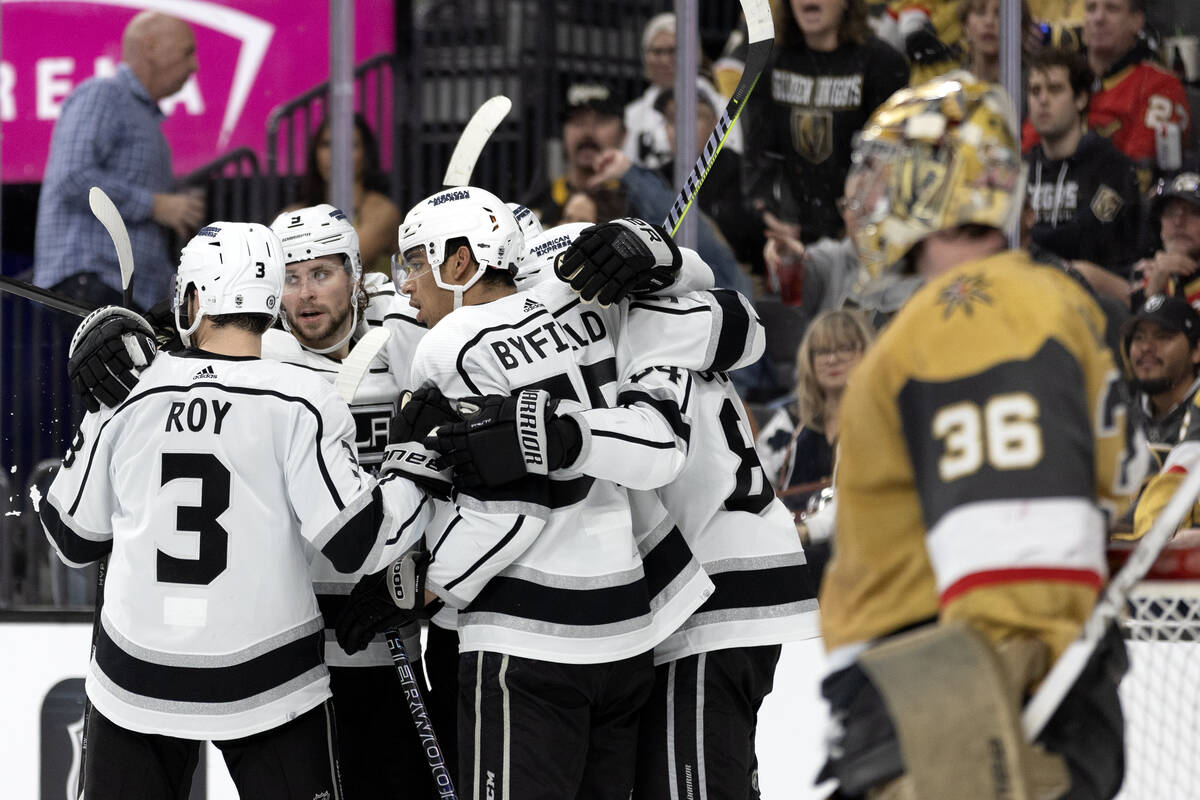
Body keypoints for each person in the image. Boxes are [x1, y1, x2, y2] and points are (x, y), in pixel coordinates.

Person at [819, 74, 1146, 799]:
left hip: (973, 713)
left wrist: (972, 741)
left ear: (945, 182)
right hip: (959, 696)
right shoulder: (1030, 296)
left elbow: (1022, 553)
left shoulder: (975, 311)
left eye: (891, 169)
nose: (869, 192)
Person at [38, 221, 439, 798]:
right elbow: (355, 544)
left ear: (195, 296)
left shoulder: (129, 389)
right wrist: (411, 463)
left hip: (135, 679)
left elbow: (71, 540)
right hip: (269, 682)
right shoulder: (302, 398)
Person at [375, 192, 719, 797]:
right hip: (625, 628)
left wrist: (424, 589)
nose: (406, 287)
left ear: (460, 263)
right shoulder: (587, 304)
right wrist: (655, 246)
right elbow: (699, 292)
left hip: (526, 640)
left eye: (415, 264)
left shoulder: (450, 344)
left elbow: (509, 512)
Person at [33, 11, 205, 311]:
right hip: (91, 282)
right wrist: (156, 205)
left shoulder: (144, 115)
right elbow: (72, 177)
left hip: (124, 290)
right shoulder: (103, 94)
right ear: (150, 46)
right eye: (187, 52)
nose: (195, 65)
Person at [742, 0, 908, 246]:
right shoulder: (770, 62)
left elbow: (893, 158)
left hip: (861, 233)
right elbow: (759, 154)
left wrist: (857, 220)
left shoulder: (882, 62)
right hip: (790, 232)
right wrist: (771, 213)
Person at [1022, 0, 1191, 180]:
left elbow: (1138, 171)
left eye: (1112, 9)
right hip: (1051, 194)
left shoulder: (1160, 85)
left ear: (1137, 20)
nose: (1099, 18)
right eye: (1091, 8)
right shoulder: (1059, 82)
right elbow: (1026, 156)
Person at [1025, 48, 1142, 298]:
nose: (1042, 100)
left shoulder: (1114, 168)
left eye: (1055, 89)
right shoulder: (1021, 167)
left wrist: (1028, 241)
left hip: (1099, 299)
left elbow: (1087, 237)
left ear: (1080, 99)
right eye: (1035, 91)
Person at [755, 308, 874, 502]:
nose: (832, 359)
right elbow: (759, 486)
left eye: (844, 348)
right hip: (791, 529)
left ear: (866, 353)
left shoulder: (882, 418)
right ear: (809, 360)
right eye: (823, 351)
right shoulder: (789, 421)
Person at [655, 88, 764, 271]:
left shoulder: (744, 173)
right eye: (673, 120)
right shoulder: (657, 179)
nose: (682, 128)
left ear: (715, 123)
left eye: (694, 118)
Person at [622, 12, 740, 170]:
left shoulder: (723, 107)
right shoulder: (633, 113)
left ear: (693, 54)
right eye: (657, 52)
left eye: (673, 51)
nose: (664, 60)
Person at [286, 114, 403, 274]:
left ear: (365, 154)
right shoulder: (294, 212)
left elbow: (346, 262)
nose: (336, 155)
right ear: (315, 152)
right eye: (327, 144)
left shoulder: (382, 212)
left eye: (350, 145)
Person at [523, 83, 628, 226]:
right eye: (578, 122)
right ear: (563, 133)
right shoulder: (534, 210)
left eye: (601, 121)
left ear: (623, 134)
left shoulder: (639, 204)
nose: (588, 132)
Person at [1138, 172, 1200, 306]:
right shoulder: (1155, 274)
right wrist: (1154, 291)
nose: (1178, 222)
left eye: (1193, 212)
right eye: (1170, 212)